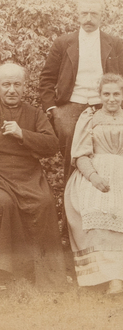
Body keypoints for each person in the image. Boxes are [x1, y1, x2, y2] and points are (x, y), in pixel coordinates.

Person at [0, 63, 67, 290]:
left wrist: (22, 133)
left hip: (28, 174)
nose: (11, 89)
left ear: (25, 87)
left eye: (17, 84)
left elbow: (52, 145)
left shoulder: (34, 113)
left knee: (44, 202)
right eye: (6, 84)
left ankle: (45, 276)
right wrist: (29, 144)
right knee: (2, 203)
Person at [39, 0, 123, 183]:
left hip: (104, 104)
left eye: (94, 14)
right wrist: (52, 109)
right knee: (72, 146)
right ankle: (72, 200)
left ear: (103, 16)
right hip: (71, 104)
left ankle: (107, 196)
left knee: (106, 148)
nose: (89, 18)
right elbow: (46, 79)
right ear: (77, 15)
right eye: (84, 13)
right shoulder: (63, 43)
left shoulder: (115, 43)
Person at [65, 73, 123, 294]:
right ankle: (111, 278)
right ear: (99, 95)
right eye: (106, 94)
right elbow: (80, 155)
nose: (111, 98)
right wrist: (94, 177)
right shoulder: (89, 118)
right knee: (97, 210)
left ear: (122, 95)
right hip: (94, 172)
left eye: (116, 93)